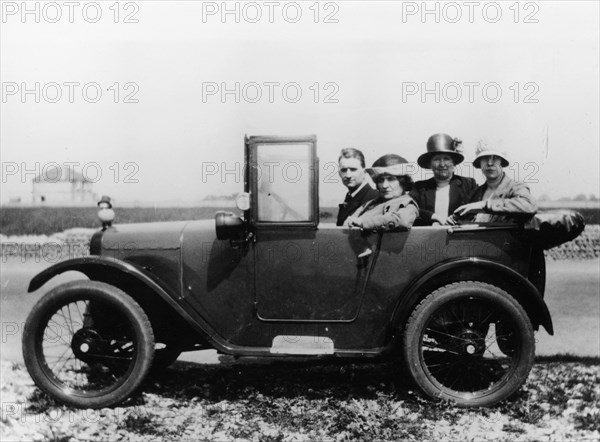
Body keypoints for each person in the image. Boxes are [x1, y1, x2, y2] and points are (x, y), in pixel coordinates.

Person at [450, 141, 537, 223]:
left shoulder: (515, 188)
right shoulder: (476, 194)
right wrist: (455, 219)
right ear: (479, 163)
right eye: (485, 158)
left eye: (494, 158)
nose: (490, 163)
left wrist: (486, 205)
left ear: (501, 161)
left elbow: (529, 206)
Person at [410, 133, 477, 226]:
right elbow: (410, 207)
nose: (442, 164)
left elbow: (476, 208)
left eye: (446, 159)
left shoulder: (468, 184)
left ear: (453, 163)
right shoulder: (420, 188)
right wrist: (433, 217)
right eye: (437, 159)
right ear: (430, 164)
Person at [345, 154, 419, 230]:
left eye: (391, 179)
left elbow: (402, 220)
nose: (384, 185)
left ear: (403, 182)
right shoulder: (369, 204)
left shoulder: (407, 204)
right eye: (380, 180)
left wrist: (363, 222)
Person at [336, 148, 380, 226]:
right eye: (344, 170)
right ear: (339, 172)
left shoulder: (374, 198)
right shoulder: (350, 196)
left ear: (364, 172)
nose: (348, 175)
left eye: (353, 169)